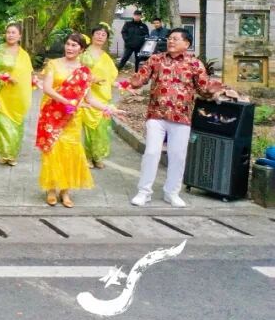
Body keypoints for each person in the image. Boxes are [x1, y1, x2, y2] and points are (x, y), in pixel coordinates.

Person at [123, 28, 237, 207]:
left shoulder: (195, 63)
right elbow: (140, 79)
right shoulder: (156, 59)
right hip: (156, 114)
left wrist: (211, 90)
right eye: (170, 38)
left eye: (176, 39)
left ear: (187, 43)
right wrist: (135, 83)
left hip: (181, 116)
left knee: (178, 156)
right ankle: (144, 192)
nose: (171, 41)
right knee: (151, 152)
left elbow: (203, 89)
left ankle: (172, 192)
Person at [37, 33, 123, 207]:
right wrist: (66, 101)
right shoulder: (53, 64)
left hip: (72, 119)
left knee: (70, 152)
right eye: (68, 44)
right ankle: (51, 189)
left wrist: (108, 108)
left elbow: (89, 99)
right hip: (52, 115)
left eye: (74, 45)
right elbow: (47, 88)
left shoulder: (84, 72)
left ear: (82, 50)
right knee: (53, 151)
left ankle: (65, 191)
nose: (70, 48)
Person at [0, 22, 34, 166]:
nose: (10, 35)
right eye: (8, 32)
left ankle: (12, 154)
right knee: (2, 123)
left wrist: (34, 80)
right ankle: (4, 153)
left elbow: (28, 74)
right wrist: (3, 77)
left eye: (13, 32)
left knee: (16, 126)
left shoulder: (24, 55)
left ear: (20, 36)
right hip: (1, 92)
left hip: (18, 96)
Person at [80, 22, 119, 168]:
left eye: (103, 35)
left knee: (101, 129)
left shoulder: (106, 57)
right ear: (92, 35)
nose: (100, 37)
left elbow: (111, 77)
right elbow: (78, 73)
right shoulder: (84, 54)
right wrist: (91, 79)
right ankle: (86, 156)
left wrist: (123, 85)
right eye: (98, 34)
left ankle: (97, 156)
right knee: (87, 128)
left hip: (103, 96)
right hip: (88, 96)